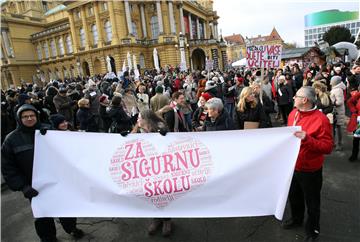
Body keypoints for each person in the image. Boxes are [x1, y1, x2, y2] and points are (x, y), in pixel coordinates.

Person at [1, 104, 84, 242]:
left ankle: (71, 228)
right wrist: (22, 186)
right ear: (19, 118)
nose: (29, 118)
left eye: (32, 115)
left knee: (65, 208)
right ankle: (48, 238)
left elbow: (70, 145)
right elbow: (8, 168)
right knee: (43, 215)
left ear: (37, 116)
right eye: (25, 116)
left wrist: (120, 138)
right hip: (33, 186)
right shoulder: (11, 140)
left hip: (57, 181)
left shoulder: (48, 129)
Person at [283, 86, 333, 242]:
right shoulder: (293, 113)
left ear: (304, 100)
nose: (293, 98)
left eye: (296, 96)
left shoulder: (321, 120)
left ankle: (313, 231)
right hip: (293, 165)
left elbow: (327, 147)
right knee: (294, 196)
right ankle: (296, 219)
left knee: (312, 202)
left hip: (310, 169)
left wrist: (307, 139)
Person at [131, 109, 171, 237]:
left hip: (162, 169)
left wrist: (165, 137)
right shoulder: (139, 130)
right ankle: (156, 218)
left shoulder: (160, 128)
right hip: (147, 169)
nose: (137, 120)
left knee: (164, 195)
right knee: (152, 195)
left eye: (139, 118)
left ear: (147, 119)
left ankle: (167, 220)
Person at [329, 76, 346, 151]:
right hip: (336, 111)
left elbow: (340, 101)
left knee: (338, 128)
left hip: (338, 111)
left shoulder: (338, 90)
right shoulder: (336, 88)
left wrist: (331, 102)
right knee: (335, 128)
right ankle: (334, 143)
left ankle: (339, 144)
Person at [346, 90, 360, 161]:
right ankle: (354, 155)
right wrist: (354, 110)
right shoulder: (359, 94)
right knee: (356, 139)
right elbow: (349, 102)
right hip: (359, 121)